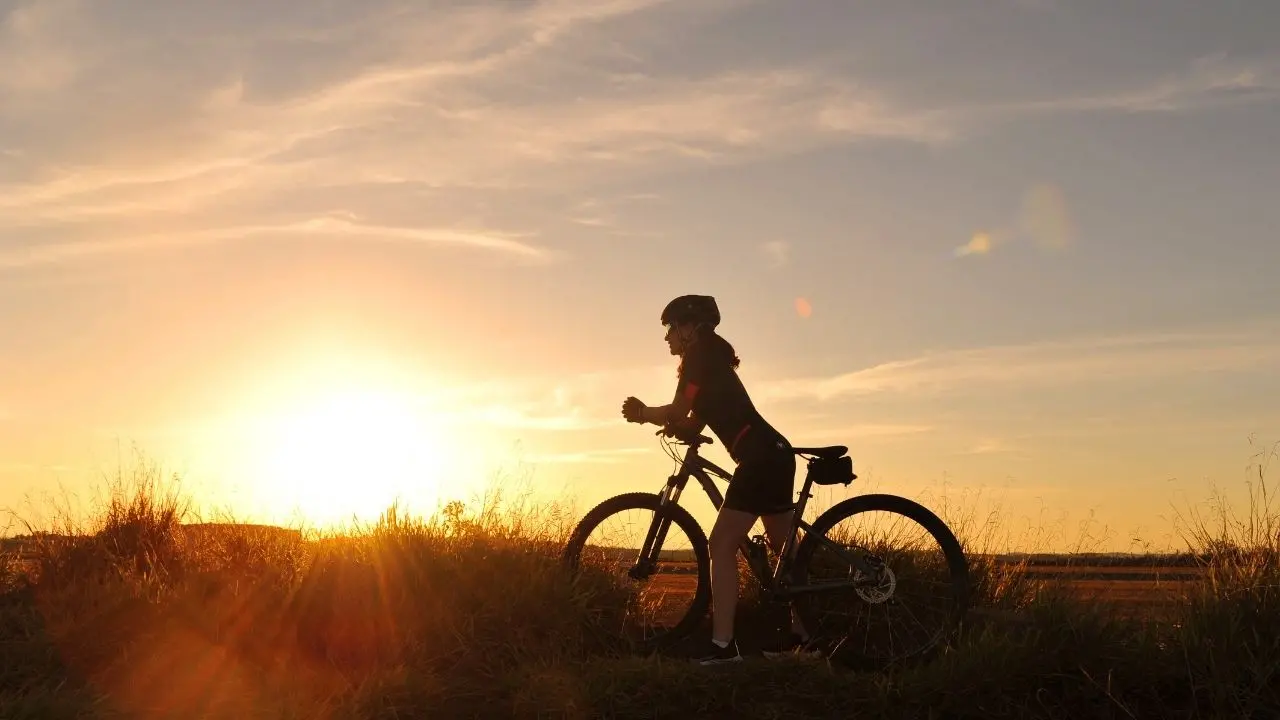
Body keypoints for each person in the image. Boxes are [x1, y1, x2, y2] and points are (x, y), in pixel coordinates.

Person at [621, 294, 812, 665]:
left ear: (689, 327)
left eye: (670, 328)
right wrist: (679, 427)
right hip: (773, 453)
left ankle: (724, 646)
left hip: (758, 459)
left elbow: (678, 409)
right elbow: (693, 418)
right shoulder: (710, 359)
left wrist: (644, 413)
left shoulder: (698, 357)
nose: (667, 338)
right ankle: (807, 637)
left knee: (720, 545)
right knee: (786, 552)